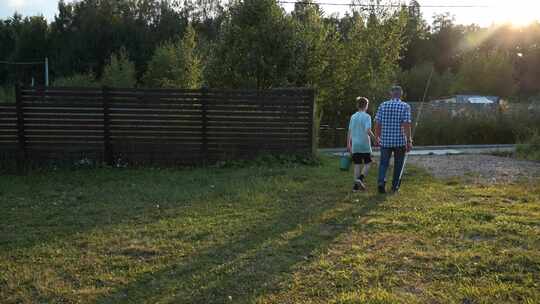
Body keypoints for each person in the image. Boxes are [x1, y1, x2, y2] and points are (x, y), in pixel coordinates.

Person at [374, 86, 413, 194]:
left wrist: (377, 137)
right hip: (400, 142)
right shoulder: (405, 106)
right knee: (398, 164)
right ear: (401, 94)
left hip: (385, 141)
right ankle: (395, 186)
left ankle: (381, 182)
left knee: (383, 163)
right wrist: (409, 141)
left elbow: (377, 123)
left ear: (391, 94)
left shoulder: (383, 105)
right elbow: (406, 124)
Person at [347, 97, 375, 192]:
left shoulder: (353, 116)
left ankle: (355, 188)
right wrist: (374, 138)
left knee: (357, 165)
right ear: (366, 106)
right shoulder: (367, 117)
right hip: (365, 144)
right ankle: (360, 179)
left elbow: (349, 131)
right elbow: (368, 130)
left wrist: (348, 144)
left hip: (355, 144)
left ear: (357, 105)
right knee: (368, 163)